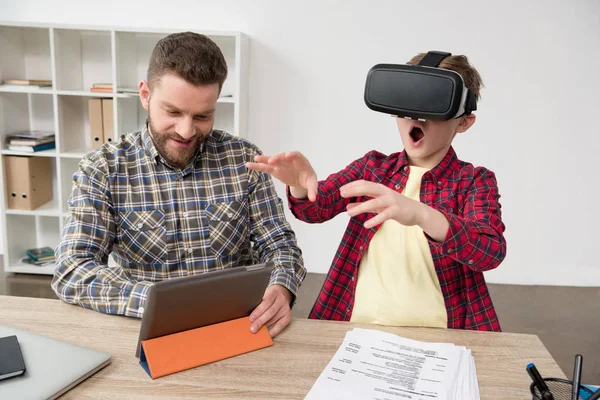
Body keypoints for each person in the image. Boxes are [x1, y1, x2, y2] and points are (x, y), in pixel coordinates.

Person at [51, 32, 306, 337]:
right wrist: (160, 302)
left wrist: (281, 286)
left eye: (202, 116)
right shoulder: (104, 170)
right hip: (147, 328)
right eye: (172, 112)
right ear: (145, 95)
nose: (186, 131)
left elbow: (280, 244)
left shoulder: (245, 159)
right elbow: (72, 269)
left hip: (238, 327)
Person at [246, 52, 506, 331]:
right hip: (357, 328)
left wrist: (420, 214)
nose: (416, 120)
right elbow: (315, 209)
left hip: (443, 334)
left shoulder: (474, 181)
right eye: (405, 109)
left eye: (432, 110)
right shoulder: (372, 168)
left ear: (464, 122)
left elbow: (489, 251)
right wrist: (299, 185)